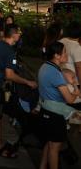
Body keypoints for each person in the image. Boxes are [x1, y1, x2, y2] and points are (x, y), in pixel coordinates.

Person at [0, 24, 37, 157]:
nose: (20, 35)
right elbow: (9, 75)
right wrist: (27, 82)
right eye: (19, 33)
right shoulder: (10, 51)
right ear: (14, 35)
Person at [38, 41, 80, 169]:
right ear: (57, 55)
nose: (67, 55)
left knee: (50, 143)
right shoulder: (56, 73)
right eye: (64, 52)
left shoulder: (45, 66)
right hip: (54, 115)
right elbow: (69, 99)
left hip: (45, 110)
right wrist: (77, 91)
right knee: (54, 148)